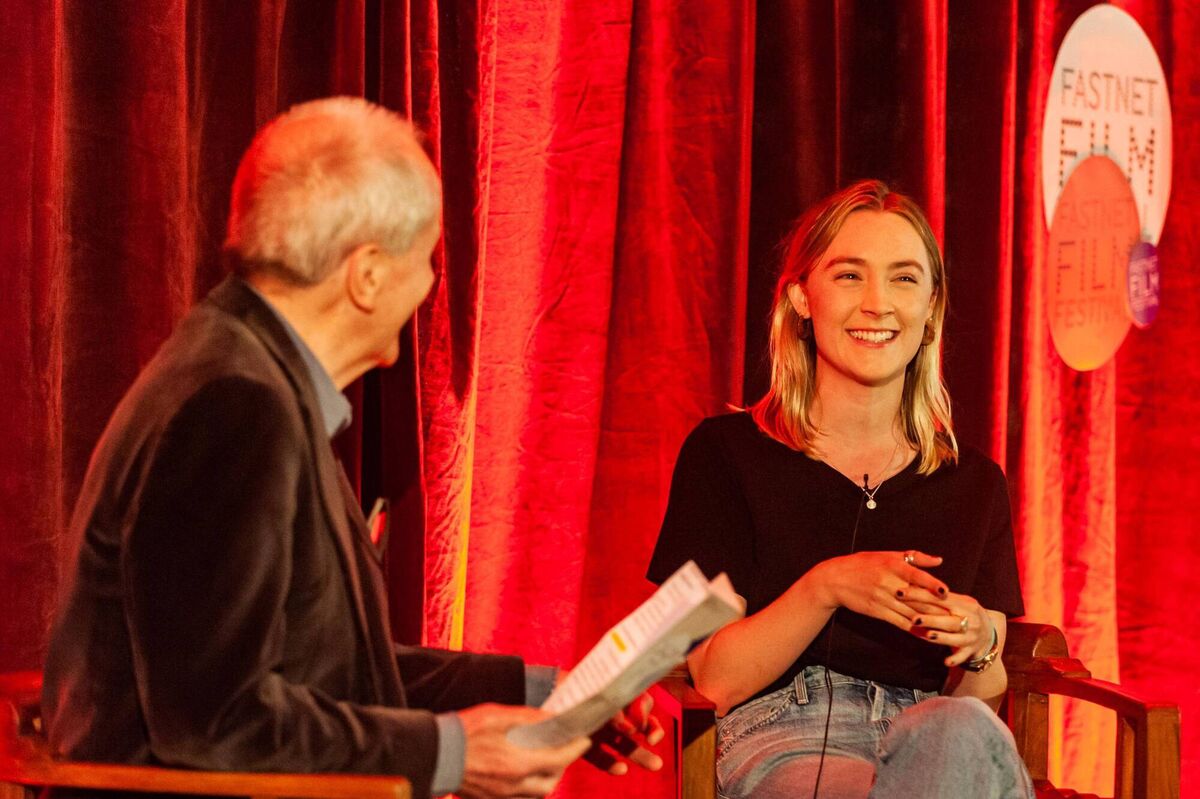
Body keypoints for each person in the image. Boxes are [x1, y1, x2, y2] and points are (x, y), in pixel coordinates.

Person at [42, 96, 661, 799]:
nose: (431, 284)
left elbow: (332, 671)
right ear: (367, 275)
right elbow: (214, 722)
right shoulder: (234, 406)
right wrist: (452, 752)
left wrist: (553, 693)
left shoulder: (251, 373)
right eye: (427, 258)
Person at [647, 180, 1035, 798]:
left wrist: (983, 642)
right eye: (850, 275)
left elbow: (980, 706)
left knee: (958, 729)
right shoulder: (726, 454)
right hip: (783, 736)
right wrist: (828, 586)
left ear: (931, 308)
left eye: (905, 279)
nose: (879, 304)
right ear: (802, 297)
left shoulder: (974, 481)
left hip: (935, 740)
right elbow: (714, 680)